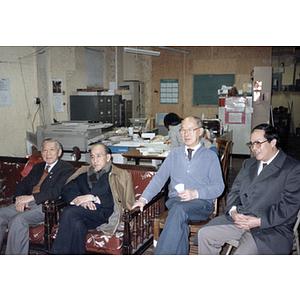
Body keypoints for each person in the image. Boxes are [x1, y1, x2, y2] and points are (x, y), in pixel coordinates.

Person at [197, 123, 300, 255]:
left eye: (258, 143)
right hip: (241, 219)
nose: (253, 148)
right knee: (205, 234)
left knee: (242, 254)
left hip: (270, 227)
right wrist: (233, 212)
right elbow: (235, 192)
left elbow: (289, 206)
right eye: (251, 144)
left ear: (273, 142)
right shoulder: (249, 164)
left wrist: (258, 221)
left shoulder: (292, 168)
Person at [132, 116, 224, 255]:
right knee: (180, 223)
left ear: (200, 131)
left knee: (178, 212)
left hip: (201, 203)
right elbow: (159, 179)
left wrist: (196, 193)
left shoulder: (210, 156)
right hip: (177, 202)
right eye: (183, 130)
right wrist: (143, 199)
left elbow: (219, 187)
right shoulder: (174, 154)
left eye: (190, 130)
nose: (186, 134)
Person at [50, 143, 135, 255]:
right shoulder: (84, 173)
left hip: (103, 213)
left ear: (108, 157)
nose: (95, 160)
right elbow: (66, 190)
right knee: (77, 225)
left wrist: (93, 198)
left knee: (69, 212)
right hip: (81, 212)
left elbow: (117, 200)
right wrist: (79, 201)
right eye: (92, 156)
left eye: (99, 156)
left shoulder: (119, 175)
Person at [0, 138, 75, 255]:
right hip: (27, 201)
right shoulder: (38, 167)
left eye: (52, 150)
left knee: (18, 220)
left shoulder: (66, 168)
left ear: (59, 152)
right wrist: (20, 199)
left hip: (45, 206)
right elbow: (22, 184)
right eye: (45, 150)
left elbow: (56, 191)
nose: (48, 153)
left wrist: (31, 198)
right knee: (1, 214)